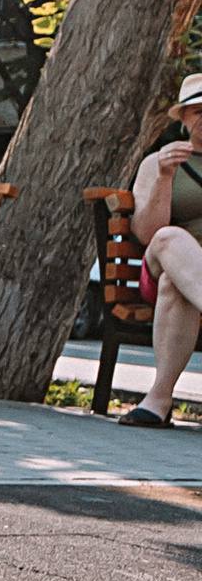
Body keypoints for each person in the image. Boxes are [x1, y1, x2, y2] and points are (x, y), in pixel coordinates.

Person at [125, 74, 202, 425]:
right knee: (171, 239)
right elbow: (148, 233)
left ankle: (158, 399)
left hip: (181, 285)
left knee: (177, 284)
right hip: (159, 263)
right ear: (183, 118)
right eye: (198, 110)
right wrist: (165, 178)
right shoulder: (156, 163)